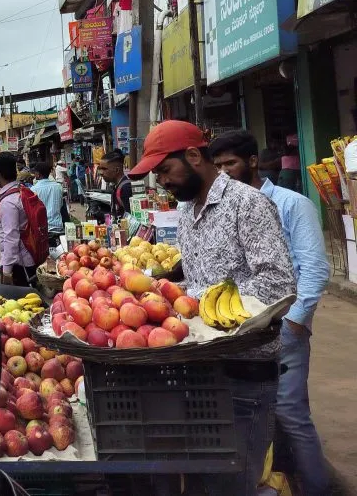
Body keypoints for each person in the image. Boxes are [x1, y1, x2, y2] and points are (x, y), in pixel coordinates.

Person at [127, 120, 296, 496]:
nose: (161, 182)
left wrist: (204, 303)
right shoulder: (187, 211)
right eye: (156, 175)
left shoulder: (248, 204)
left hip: (246, 375)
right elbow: (200, 280)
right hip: (201, 371)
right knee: (207, 480)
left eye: (165, 170)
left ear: (192, 157)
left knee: (236, 483)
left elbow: (279, 284)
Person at [210, 130, 332, 496]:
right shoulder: (226, 207)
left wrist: (296, 321)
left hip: (285, 328)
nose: (224, 173)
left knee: (291, 415)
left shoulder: (293, 205)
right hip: (245, 331)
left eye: (229, 163)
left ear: (251, 162)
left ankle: (316, 488)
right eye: (217, 166)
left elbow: (314, 269)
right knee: (257, 415)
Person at [0, 152, 38, 286]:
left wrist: (6, 271)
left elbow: (11, 237)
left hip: (18, 265)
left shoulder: (8, 202)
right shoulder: (21, 191)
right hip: (28, 258)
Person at [30, 162, 64, 234]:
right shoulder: (58, 187)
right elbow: (60, 205)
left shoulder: (33, 189)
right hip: (57, 227)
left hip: (41, 229)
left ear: (38, 174)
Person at [97, 150, 133, 218]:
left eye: (104, 169)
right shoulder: (117, 186)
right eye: (100, 169)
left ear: (117, 170)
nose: (101, 173)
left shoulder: (126, 188)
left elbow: (132, 218)